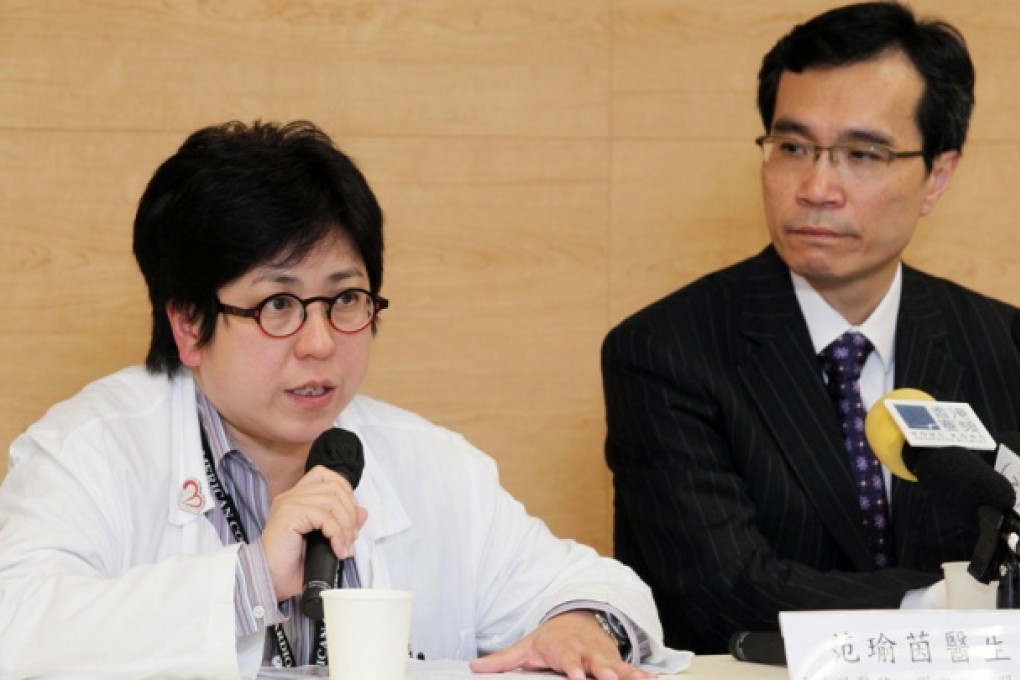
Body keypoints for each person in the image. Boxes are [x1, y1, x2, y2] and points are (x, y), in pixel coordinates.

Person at [0, 120, 688, 679]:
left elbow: (595, 586)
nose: (321, 343)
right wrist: (250, 579)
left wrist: (577, 624)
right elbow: (16, 628)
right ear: (188, 324)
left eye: (345, 299)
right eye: (278, 305)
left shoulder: (427, 461)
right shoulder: (90, 450)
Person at [602, 1, 1020, 655]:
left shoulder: (1006, 347)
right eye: (793, 147)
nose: (817, 187)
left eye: (863, 153)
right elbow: (722, 588)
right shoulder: (665, 351)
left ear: (937, 175)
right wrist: (948, 601)